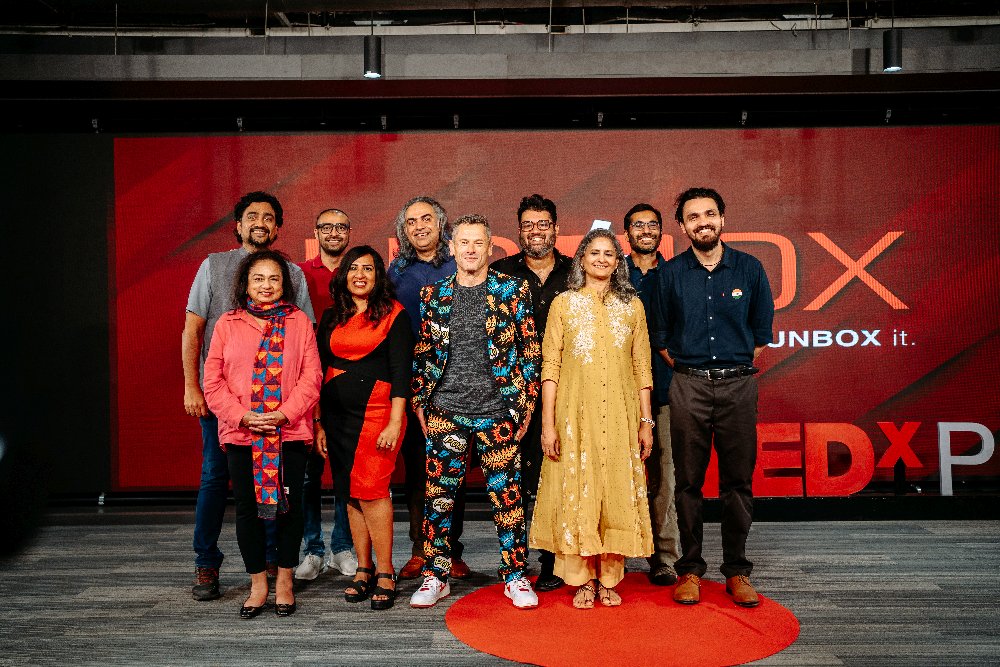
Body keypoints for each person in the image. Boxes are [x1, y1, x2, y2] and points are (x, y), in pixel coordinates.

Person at [182, 191, 314, 601]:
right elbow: (193, 331)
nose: (260, 222)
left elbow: (307, 352)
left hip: (285, 414)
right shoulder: (213, 267)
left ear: (277, 227)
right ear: (238, 225)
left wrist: (286, 412)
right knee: (216, 479)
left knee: (282, 490)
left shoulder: (293, 273)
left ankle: (274, 561)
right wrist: (193, 387)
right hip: (226, 405)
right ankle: (207, 561)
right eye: (252, 216)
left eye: (268, 217)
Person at [408, 214, 541, 610]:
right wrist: (419, 399)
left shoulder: (512, 289)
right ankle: (436, 575)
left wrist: (526, 403)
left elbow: (530, 350)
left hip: (498, 410)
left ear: (489, 247)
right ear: (451, 248)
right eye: (463, 242)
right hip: (445, 409)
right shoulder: (433, 294)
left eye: (478, 242)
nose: (470, 249)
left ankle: (515, 576)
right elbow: (424, 351)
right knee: (438, 498)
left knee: (508, 501)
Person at [651, 187, 774, 608]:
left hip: (738, 385)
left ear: (722, 219)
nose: (702, 222)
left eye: (709, 214)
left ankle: (737, 571)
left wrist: (728, 370)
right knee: (688, 482)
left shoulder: (750, 268)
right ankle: (690, 569)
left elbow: (760, 336)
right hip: (689, 386)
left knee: (738, 482)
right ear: (682, 226)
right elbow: (661, 338)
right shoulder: (670, 275)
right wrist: (694, 370)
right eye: (693, 217)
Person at [529, 228, 655, 609]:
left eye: (609, 254)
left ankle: (610, 578)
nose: (601, 259)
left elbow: (642, 367)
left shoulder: (632, 307)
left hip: (620, 414)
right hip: (574, 415)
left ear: (618, 263)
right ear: (581, 259)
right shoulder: (564, 305)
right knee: (578, 490)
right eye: (594, 252)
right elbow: (550, 368)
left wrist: (646, 421)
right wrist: (548, 424)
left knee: (615, 491)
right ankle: (582, 579)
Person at [203, 250, 322, 618]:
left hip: (289, 432)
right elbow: (213, 382)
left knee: (291, 509)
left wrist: (283, 414)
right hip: (242, 434)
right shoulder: (227, 323)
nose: (266, 285)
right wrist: (243, 417)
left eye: (274, 279)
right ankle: (258, 584)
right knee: (247, 511)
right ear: (245, 284)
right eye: (258, 279)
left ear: (284, 285)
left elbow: (312, 376)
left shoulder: (299, 322)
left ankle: (284, 581)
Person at [315, 246, 413, 610]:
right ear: (344, 275)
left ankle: (386, 571)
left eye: (368, 269)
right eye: (354, 268)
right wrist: (319, 423)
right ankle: (363, 567)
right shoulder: (331, 316)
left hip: (378, 416)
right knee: (350, 493)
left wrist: (395, 421)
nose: (360, 275)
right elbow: (319, 370)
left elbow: (402, 373)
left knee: (373, 491)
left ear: (378, 276)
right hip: (336, 418)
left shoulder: (394, 314)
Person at [490, 193, 572, 592]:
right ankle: (515, 563)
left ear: (556, 228)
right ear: (519, 230)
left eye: (543, 224)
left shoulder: (576, 272)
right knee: (514, 480)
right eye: (527, 225)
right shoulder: (499, 273)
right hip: (511, 393)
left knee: (557, 475)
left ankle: (553, 561)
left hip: (566, 391)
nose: (535, 231)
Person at [387, 196, 471, 581]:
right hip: (414, 382)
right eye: (411, 222)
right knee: (419, 471)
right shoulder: (396, 272)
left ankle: (451, 551)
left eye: (425, 219)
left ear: (441, 224)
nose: (419, 226)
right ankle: (421, 549)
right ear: (404, 230)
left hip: (458, 380)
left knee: (454, 469)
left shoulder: (460, 262)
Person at [294, 209, 358, 581]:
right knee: (308, 475)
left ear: (349, 232)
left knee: (345, 472)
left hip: (346, 382)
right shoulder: (299, 274)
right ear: (316, 232)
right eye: (326, 227)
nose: (334, 233)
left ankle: (342, 547)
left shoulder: (358, 271)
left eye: (340, 227)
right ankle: (313, 550)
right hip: (303, 380)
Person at [623, 203, 681, 586]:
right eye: (638, 225)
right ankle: (613, 557)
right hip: (614, 393)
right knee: (614, 475)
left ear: (661, 231)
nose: (646, 230)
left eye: (652, 225)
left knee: (665, 478)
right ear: (627, 233)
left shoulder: (675, 274)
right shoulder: (612, 273)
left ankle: (664, 558)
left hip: (665, 391)